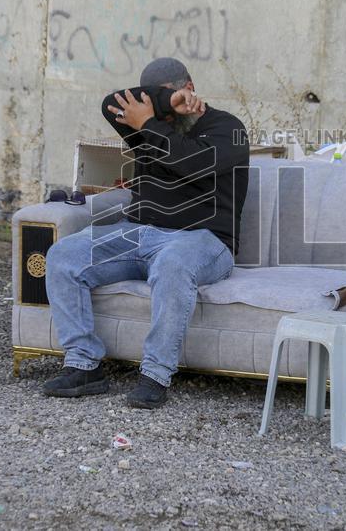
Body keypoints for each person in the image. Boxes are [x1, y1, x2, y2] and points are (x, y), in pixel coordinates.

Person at [42, 58, 250, 409]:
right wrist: (165, 104)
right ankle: (83, 365)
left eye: (172, 105)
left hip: (204, 240)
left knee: (172, 263)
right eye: (159, 108)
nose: (167, 119)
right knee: (63, 255)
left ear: (192, 86)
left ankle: (155, 374)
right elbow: (110, 103)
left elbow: (192, 163)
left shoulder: (228, 128)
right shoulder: (149, 119)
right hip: (139, 232)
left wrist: (151, 121)